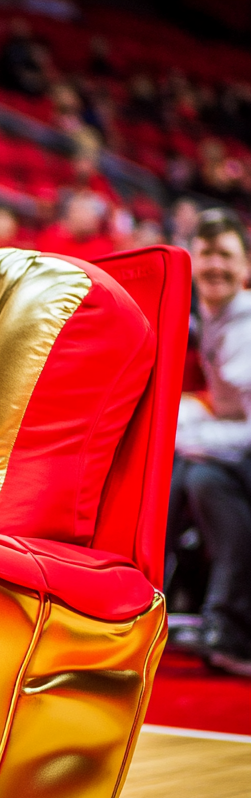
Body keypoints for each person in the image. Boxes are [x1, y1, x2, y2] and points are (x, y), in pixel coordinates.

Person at [169, 209, 251, 675]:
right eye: (206, 255)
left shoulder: (246, 326)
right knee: (189, 473)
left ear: (245, 267)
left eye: (226, 255)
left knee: (201, 477)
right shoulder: (211, 316)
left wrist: (188, 435)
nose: (215, 266)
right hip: (235, 448)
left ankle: (229, 630)